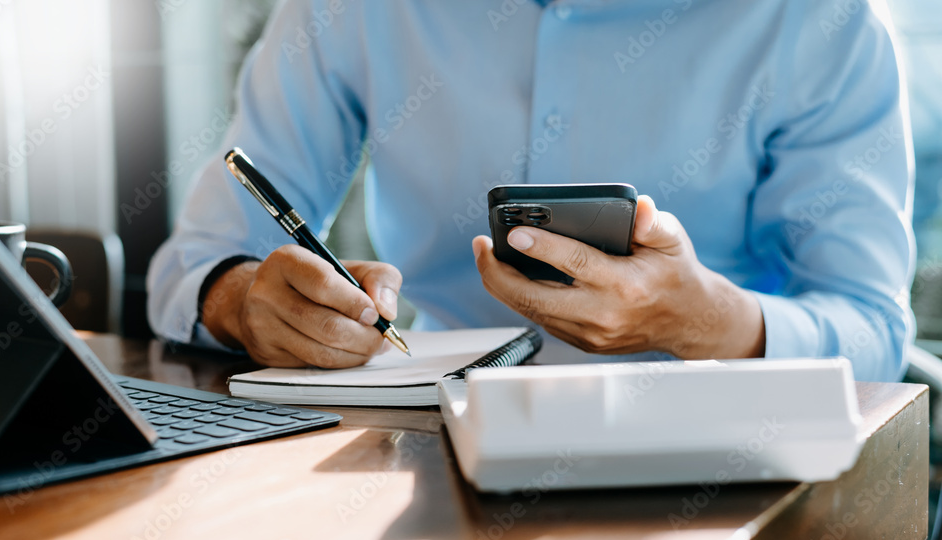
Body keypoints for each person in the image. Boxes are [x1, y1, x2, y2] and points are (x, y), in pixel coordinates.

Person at [148, 0, 915, 382]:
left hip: (721, 462)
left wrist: (709, 321)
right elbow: (203, 259)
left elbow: (873, 331)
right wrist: (245, 299)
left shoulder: (823, 23)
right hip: (427, 438)